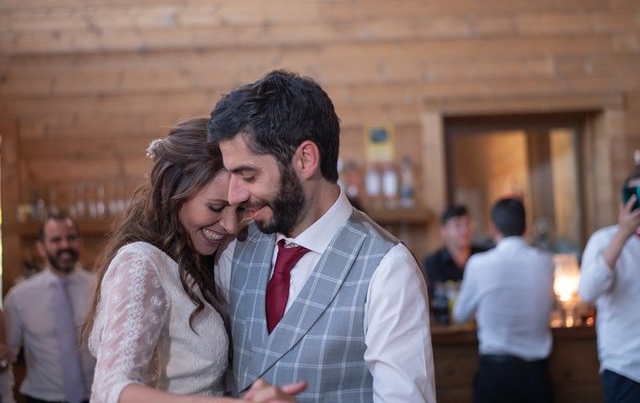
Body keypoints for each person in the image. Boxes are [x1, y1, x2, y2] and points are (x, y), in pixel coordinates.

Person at [209, 69, 436, 402]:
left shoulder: (389, 270)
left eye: (248, 175)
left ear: (305, 159)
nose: (234, 195)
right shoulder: (234, 253)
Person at [83, 118, 304, 403]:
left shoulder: (190, 260)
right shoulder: (141, 262)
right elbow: (110, 389)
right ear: (172, 191)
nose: (231, 226)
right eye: (216, 207)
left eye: (240, 211)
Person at [453, 198, 555, 403]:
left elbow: (460, 314)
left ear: (493, 227)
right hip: (537, 375)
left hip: (496, 375)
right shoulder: (546, 262)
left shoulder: (479, 264)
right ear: (525, 228)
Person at [4, 213, 96, 403]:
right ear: (41, 248)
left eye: (71, 238)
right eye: (56, 240)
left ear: (80, 241)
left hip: (96, 396)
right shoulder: (18, 297)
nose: (65, 245)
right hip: (41, 398)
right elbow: (6, 355)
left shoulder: (100, 287)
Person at [578, 164, 640, 403]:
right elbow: (587, 292)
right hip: (624, 365)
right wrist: (623, 234)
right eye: (634, 197)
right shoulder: (603, 240)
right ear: (623, 202)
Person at [423, 204, 489, 290]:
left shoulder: (484, 255)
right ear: (444, 231)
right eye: (457, 225)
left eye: (467, 224)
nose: (465, 230)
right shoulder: (433, 262)